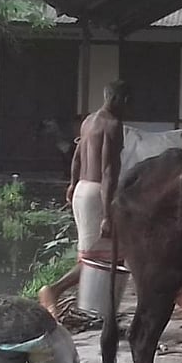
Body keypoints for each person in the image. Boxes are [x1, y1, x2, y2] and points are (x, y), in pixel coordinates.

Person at [39, 80, 130, 319]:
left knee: (102, 254)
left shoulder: (89, 121)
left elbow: (77, 157)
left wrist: (72, 185)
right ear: (120, 100)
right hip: (98, 192)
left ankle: (91, 303)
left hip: (82, 188)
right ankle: (54, 290)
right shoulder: (113, 125)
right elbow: (109, 171)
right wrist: (108, 214)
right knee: (101, 257)